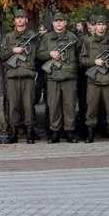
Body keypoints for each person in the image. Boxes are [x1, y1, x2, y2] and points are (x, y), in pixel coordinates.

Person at [38, 12, 80, 143]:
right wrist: (50, 53)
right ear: (53, 23)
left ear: (66, 22)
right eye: (56, 21)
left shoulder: (73, 37)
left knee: (69, 105)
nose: (59, 23)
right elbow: (39, 54)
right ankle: (54, 132)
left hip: (69, 76)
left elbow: (79, 56)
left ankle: (70, 132)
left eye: (61, 21)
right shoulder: (47, 37)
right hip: (53, 76)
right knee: (53, 105)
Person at [80, 15, 109, 143]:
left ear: (105, 26)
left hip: (108, 79)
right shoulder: (88, 41)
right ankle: (90, 133)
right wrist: (94, 62)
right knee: (92, 108)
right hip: (94, 80)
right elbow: (82, 60)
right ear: (94, 26)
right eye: (98, 24)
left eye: (103, 24)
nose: (101, 27)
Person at [0, 9, 38, 143]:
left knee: (29, 105)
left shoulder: (33, 37)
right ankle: (13, 133)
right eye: (18, 18)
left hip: (28, 75)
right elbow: (1, 56)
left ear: (26, 20)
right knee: (13, 105)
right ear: (14, 21)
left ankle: (30, 133)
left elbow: (38, 56)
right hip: (12, 76)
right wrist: (12, 50)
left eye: (23, 18)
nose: (20, 20)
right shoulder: (9, 37)